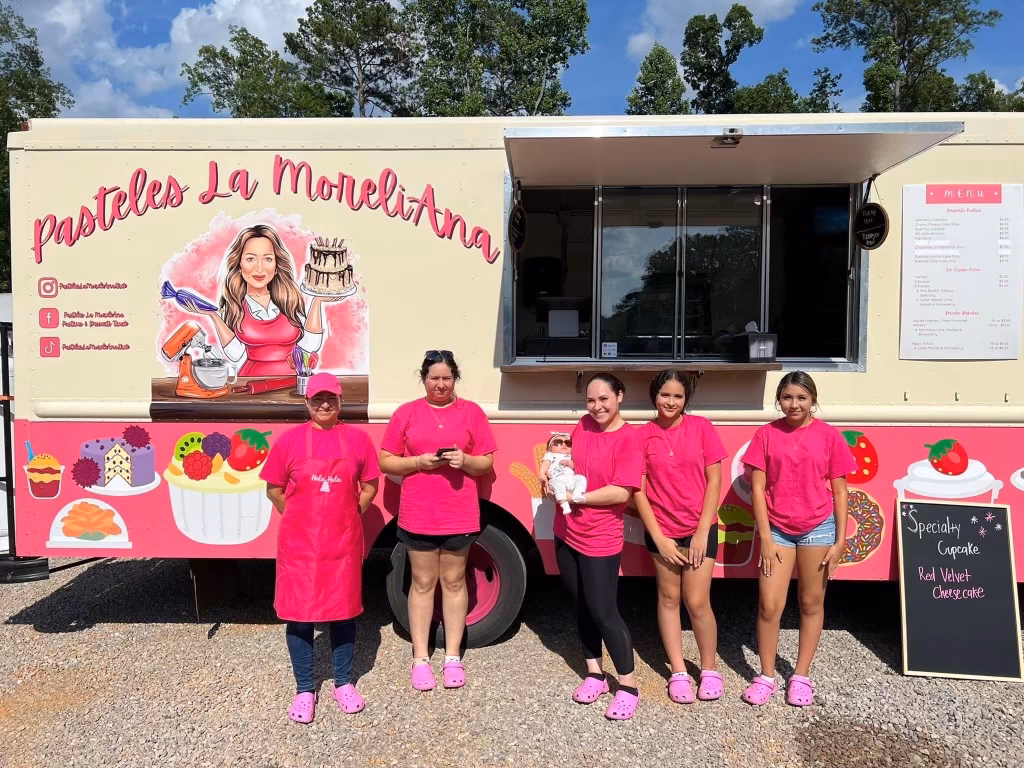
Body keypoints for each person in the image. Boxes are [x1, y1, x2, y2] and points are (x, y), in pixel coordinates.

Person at [260, 372, 380, 723]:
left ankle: (343, 683)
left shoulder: (358, 440)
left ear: (341, 401)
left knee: (343, 613)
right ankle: (304, 688)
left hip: (342, 542)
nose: (324, 404)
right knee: (299, 616)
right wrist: (300, 517)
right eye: (317, 398)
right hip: (299, 545)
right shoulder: (289, 441)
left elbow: (370, 486)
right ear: (307, 402)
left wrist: (348, 514)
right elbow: (274, 489)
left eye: (331, 398)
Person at [379, 350, 497, 691]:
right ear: (424, 378)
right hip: (418, 513)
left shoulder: (472, 412)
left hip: (459, 512)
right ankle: (419, 658)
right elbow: (386, 461)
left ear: (455, 379)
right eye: (434, 378)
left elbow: (486, 463)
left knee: (455, 582)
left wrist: (466, 460)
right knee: (422, 583)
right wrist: (417, 462)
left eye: (447, 378)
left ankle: (452, 657)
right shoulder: (407, 413)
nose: (440, 384)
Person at [740, 371, 856, 707]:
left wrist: (840, 540)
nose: (794, 404)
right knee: (769, 605)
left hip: (818, 527)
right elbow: (758, 489)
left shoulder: (829, 436)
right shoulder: (766, 434)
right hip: (776, 529)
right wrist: (765, 536)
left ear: (812, 401)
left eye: (802, 398)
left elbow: (839, 490)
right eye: (788, 397)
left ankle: (801, 675)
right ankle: (765, 675)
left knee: (811, 602)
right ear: (780, 400)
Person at [545, 373, 643, 721]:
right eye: (591, 400)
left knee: (604, 611)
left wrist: (574, 495)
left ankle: (629, 686)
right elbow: (573, 463)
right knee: (581, 606)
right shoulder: (583, 426)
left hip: (600, 537)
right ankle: (595, 673)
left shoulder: (630, 438)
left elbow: (622, 492)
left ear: (620, 396)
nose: (597, 407)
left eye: (604, 398)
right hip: (566, 530)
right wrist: (554, 475)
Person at [633, 370, 727, 704]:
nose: (670, 402)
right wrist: (658, 538)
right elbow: (639, 492)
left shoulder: (702, 428)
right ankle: (678, 671)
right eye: (664, 395)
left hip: (700, 528)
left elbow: (715, 480)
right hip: (662, 533)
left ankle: (710, 669)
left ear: (686, 399)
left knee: (698, 601)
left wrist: (703, 531)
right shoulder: (642, 435)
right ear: (654, 396)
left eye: (678, 396)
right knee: (668, 599)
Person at [183, 224, 336, 375]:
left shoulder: (288, 301)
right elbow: (235, 355)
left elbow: (310, 346)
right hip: (251, 385)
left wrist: (317, 301)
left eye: (268, 259)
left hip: (292, 385)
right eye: (250, 259)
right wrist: (213, 315)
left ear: (276, 266)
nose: (260, 268)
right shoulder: (235, 305)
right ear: (239, 265)